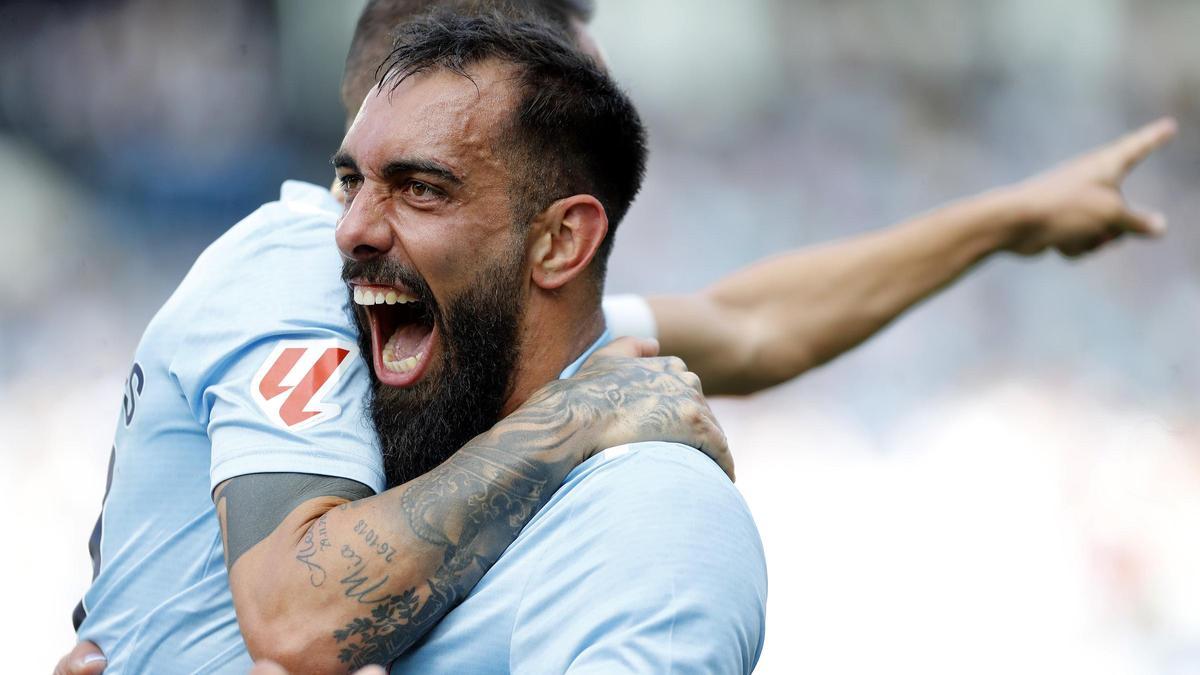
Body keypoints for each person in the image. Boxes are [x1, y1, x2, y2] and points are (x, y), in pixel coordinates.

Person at [60, 0, 1177, 672]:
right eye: (576, 98)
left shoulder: (465, 329)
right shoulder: (300, 265)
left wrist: (1006, 219)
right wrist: (569, 423)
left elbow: (751, 322)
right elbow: (296, 620)